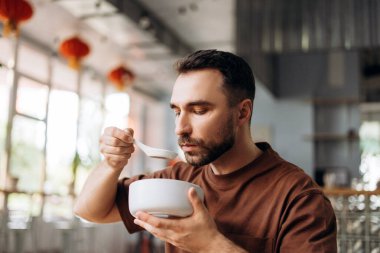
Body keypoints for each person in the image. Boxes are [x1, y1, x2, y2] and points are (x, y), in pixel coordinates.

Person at [74, 49, 337, 253]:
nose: (180, 128)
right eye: (177, 111)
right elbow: (90, 210)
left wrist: (211, 244)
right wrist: (111, 164)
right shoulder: (179, 177)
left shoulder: (300, 198)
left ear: (242, 112)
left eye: (199, 111)